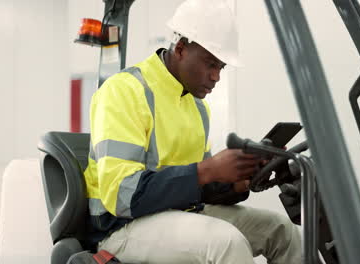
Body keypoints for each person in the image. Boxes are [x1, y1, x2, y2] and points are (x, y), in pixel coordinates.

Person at [83, 0, 302, 263]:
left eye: (221, 67)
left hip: (182, 213)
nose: (216, 77)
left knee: (282, 231)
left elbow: (197, 190)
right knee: (225, 243)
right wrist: (207, 170)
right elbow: (122, 195)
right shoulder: (124, 92)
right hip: (122, 226)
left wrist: (239, 179)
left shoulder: (197, 108)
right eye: (210, 63)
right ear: (181, 48)